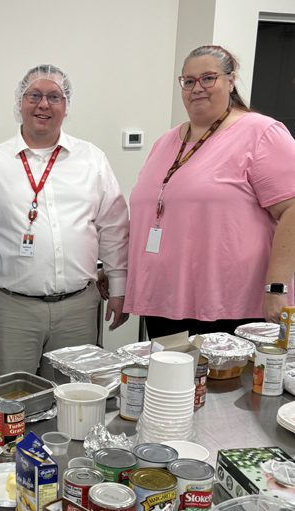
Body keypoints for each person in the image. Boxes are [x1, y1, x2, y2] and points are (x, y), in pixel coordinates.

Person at [0, 64, 129, 379]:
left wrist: (120, 287)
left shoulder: (92, 160)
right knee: (7, 402)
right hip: (9, 309)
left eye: (54, 97)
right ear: (20, 103)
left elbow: (112, 228)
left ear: (65, 106)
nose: (43, 104)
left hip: (78, 308)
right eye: (34, 95)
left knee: (71, 403)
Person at [124, 45, 295, 340]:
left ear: (231, 81)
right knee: (170, 385)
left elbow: (292, 209)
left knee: (224, 386)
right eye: (188, 81)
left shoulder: (261, 133)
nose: (197, 88)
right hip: (165, 300)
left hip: (232, 304)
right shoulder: (166, 141)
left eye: (208, 78)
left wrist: (276, 287)